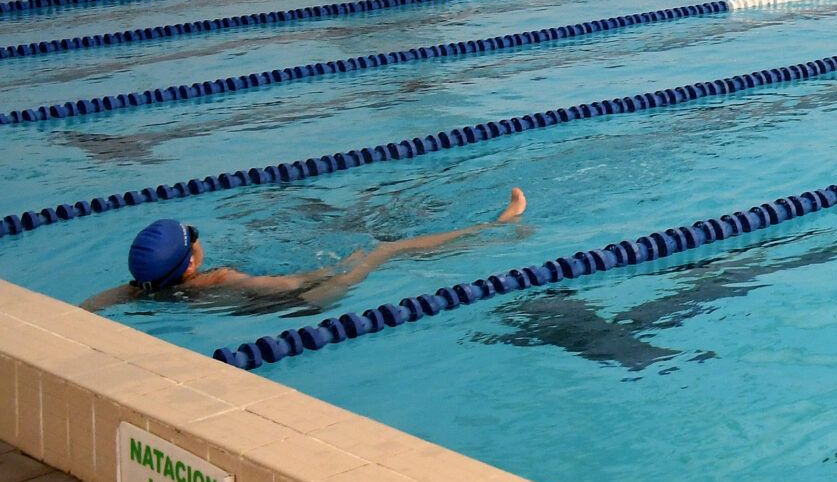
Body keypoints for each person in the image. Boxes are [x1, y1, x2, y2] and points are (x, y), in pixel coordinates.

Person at [83, 188, 527, 313]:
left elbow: (95, 303)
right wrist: (334, 269)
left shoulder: (142, 290)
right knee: (389, 249)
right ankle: (496, 226)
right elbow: (281, 285)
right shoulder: (217, 277)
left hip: (269, 310)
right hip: (303, 301)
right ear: (191, 259)